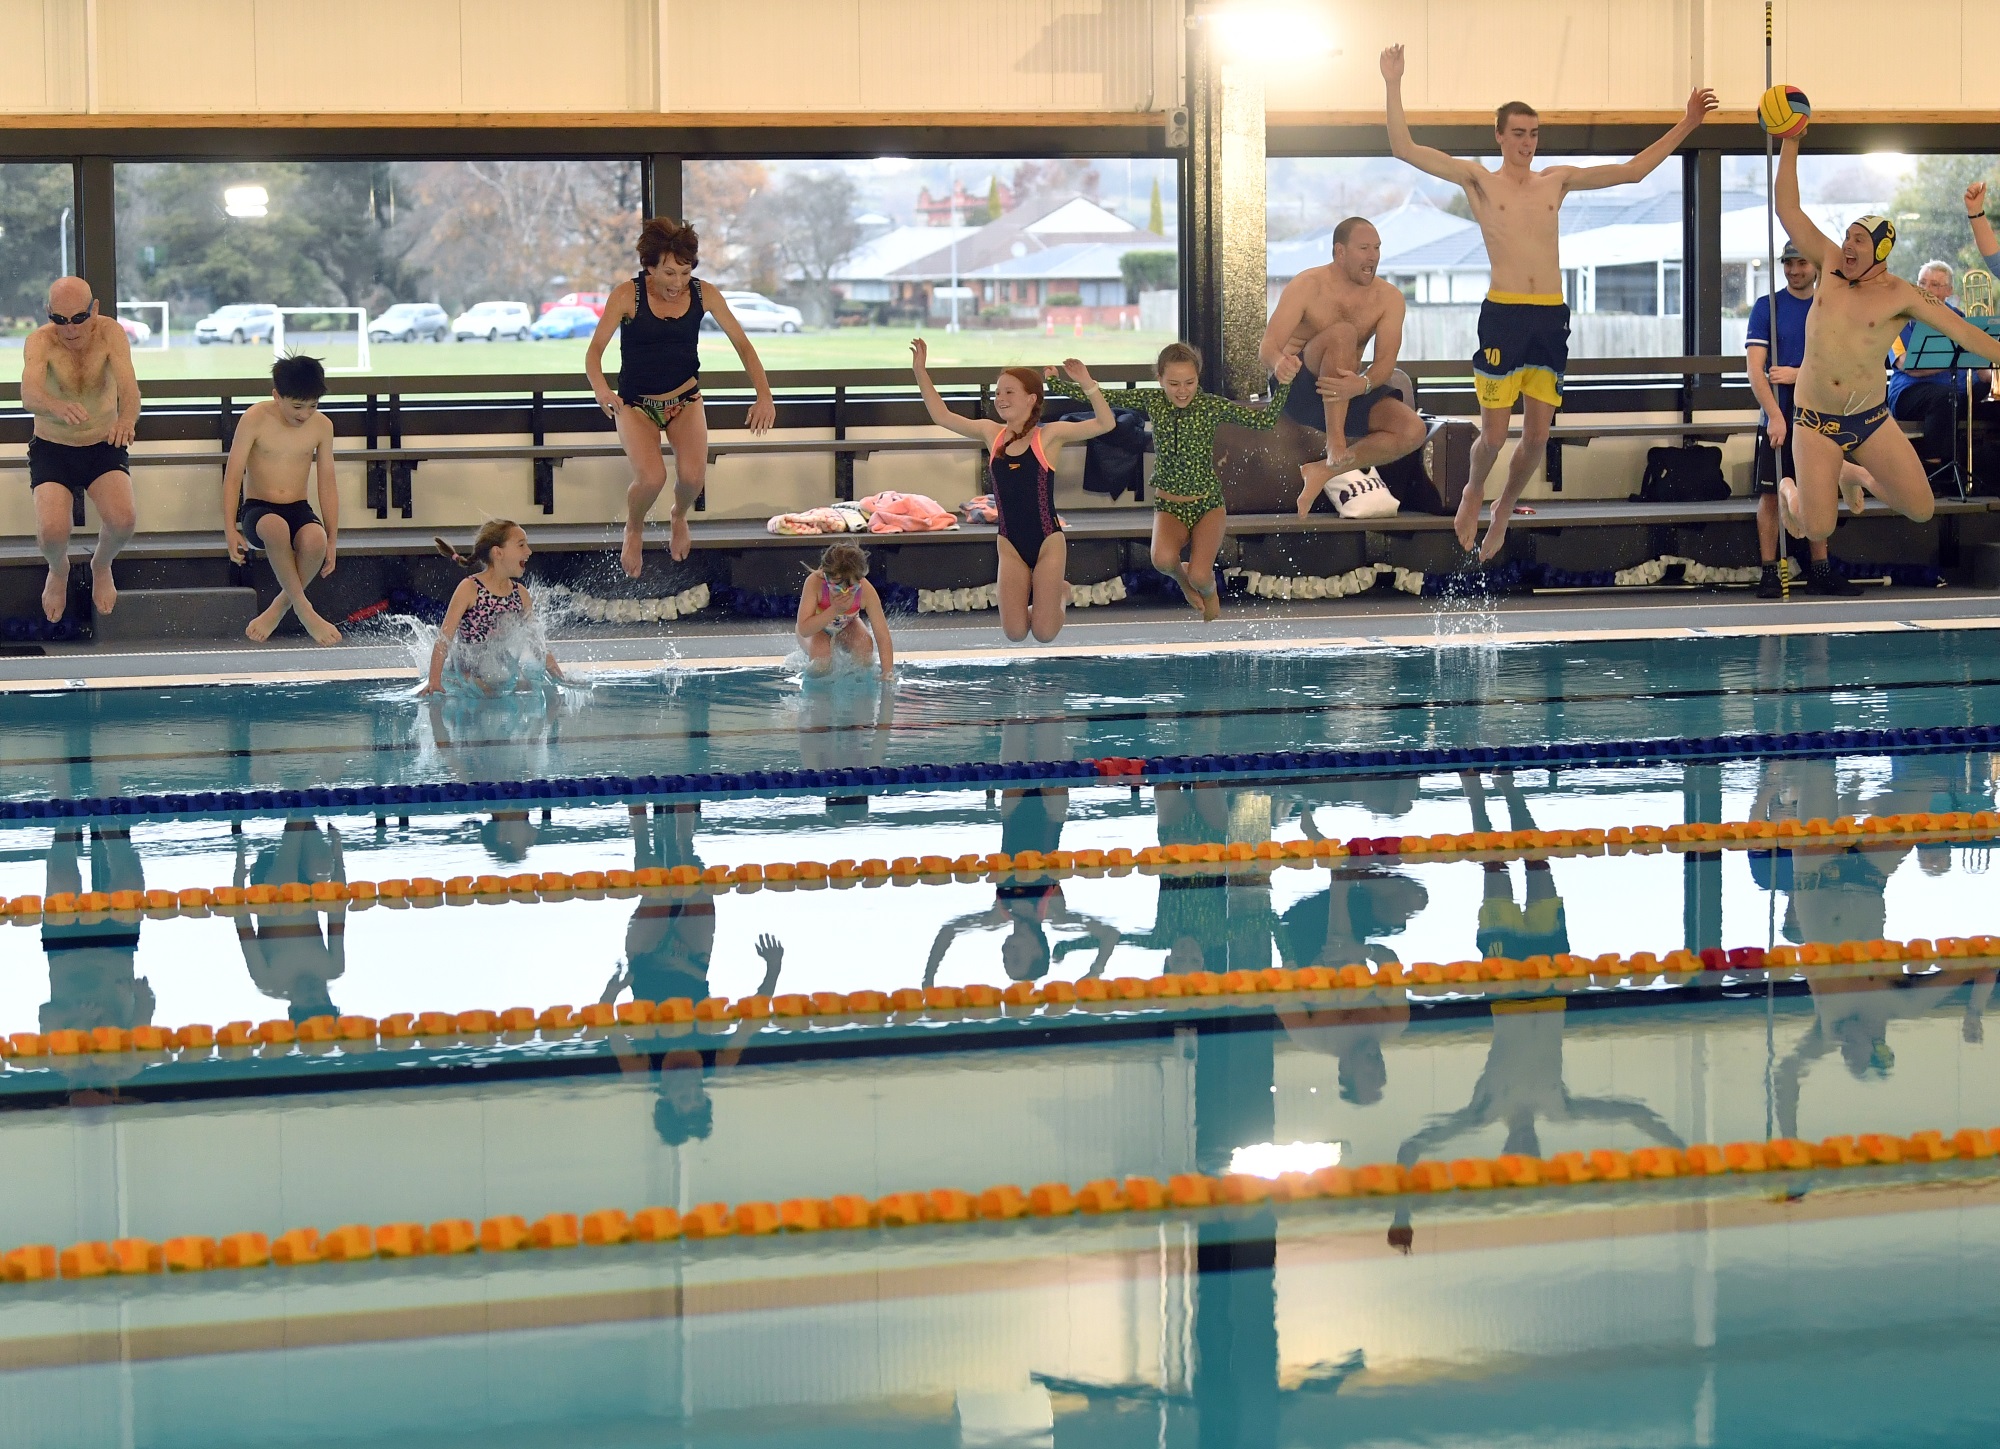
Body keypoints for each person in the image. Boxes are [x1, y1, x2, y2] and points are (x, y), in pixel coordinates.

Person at [1381, 44, 1716, 559]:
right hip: (1504, 315)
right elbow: (1404, 148)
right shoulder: (1478, 180)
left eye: (1534, 134)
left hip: (1550, 317)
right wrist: (1393, 82)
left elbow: (1633, 172)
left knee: (1536, 437)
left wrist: (1688, 124)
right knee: (1493, 437)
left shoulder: (1555, 181)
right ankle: (1473, 492)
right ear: (1499, 135)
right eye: (1518, 133)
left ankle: (1505, 508)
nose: (1528, 143)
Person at [1772, 123, 2000, 542]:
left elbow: (1967, 334)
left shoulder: (1903, 295)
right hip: (1815, 420)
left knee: (1921, 508)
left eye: (1859, 240)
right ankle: (1792, 488)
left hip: (1871, 418)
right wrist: (1791, 140)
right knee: (1816, 528)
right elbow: (1787, 209)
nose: (1847, 246)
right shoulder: (1828, 262)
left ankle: (1853, 473)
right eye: (1846, 237)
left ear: (1880, 252)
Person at [1047, 342, 1301, 621]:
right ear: (1160, 380)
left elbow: (1263, 422)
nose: (1182, 390)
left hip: (1207, 505)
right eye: (1174, 383)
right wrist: (1066, 383)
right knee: (1162, 560)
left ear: (1198, 379)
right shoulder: (1153, 401)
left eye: (1189, 382)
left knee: (1202, 575)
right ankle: (1182, 581)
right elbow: (1105, 398)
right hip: (1169, 506)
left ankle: (1206, 590)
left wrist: (1285, 384)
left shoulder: (1210, 406)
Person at [584, 218, 776, 577]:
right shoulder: (627, 295)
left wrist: (764, 395)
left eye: (685, 273)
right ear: (649, 267)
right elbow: (594, 351)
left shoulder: (705, 294)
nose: (678, 283)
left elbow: (744, 347)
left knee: (692, 477)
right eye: (669, 273)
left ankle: (678, 515)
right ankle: (635, 527)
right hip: (636, 405)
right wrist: (601, 388)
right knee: (652, 478)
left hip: (685, 400)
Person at [909, 342, 1113, 642]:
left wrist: (1087, 384)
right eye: (998, 392)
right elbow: (942, 416)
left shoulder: (1049, 436)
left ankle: (1061, 594)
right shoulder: (992, 434)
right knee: (1015, 632)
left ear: (1031, 398)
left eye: (1009, 392)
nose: (1000, 398)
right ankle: (1049, 594)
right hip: (1010, 544)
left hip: (1047, 541)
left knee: (1044, 633)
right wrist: (920, 371)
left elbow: (1106, 424)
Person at [1258, 216, 1430, 510]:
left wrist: (1362, 384)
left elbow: (1385, 363)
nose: (1373, 256)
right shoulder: (1308, 285)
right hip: (1297, 388)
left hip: (1344, 388)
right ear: (1340, 252)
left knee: (1413, 430)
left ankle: (1325, 470)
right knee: (1343, 332)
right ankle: (1335, 443)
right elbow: (1267, 347)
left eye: (1377, 248)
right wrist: (1278, 362)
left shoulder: (1388, 298)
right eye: (1364, 248)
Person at [1747, 242, 1865, 598]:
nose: (1794, 270)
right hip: (1779, 414)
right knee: (1771, 495)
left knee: (1820, 491)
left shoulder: (1829, 308)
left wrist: (1800, 374)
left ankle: (1820, 569)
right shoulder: (1767, 307)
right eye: (1788, 264)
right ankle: (1769, 572)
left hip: (1819, 415)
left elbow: (1844, 367)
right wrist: (1774, 417)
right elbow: (1756, 369)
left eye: (1801, 263)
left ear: (1815, 267)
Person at [21, 276, 142, 623]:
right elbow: (29, 394)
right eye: (59, 320)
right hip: (53, 446)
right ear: (48, 314)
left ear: (95, 309)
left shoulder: (110, 334)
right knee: (52, 533)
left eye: (78, 318)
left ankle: (101, 564)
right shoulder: (39, 341)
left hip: (103, 444)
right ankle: (58, 570)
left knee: (123, 522)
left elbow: (130, 390)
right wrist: (55, 406)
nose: (70, 329)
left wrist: (126, 421)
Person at [222, 354, 343, 644]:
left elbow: (326, 482)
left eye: (313, 406)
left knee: (314, 539)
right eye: (297, 406)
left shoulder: (322, 426)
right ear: (277, 396)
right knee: (276, 528)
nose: (304, 414)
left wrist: (332, 538)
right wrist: (229, 528)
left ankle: (278, 607)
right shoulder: (254, 419)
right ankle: (304, 608)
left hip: (299, 509)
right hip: (259, 511)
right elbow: (233, 475)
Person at [422, 520, 569, 695]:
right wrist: (434, 681)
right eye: (521, 545)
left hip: (498, 668)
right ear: (498, 552)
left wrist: (562, 680)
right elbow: (443, 640)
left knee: (528, 688)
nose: (528, 551)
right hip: (466, 672)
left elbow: (537, 644)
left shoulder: (520, 594)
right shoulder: (470, 588)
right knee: (488, 694)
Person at [1886, 259, 1993, 484]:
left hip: (1955, 392)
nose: (1925, 289)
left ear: (1948, 291)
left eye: (1934, 284)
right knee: (1944, 397)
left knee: (1985, 396)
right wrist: (1955, 360)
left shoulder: (1959, 318)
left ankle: (1985, 475)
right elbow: (1907, 366)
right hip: (1909, 392)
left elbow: (1981, 374)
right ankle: (1936, 471)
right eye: (1922, 283)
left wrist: (1988, 372)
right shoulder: (1898, 320)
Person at [794, 540, 894, 676]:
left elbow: (883, 636)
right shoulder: (815, 583)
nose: (844, 592)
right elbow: (804, 629)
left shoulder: (866, 590)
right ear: (825, 575)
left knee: (864, 651)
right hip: (816, 629)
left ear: (859, 579)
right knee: (820, 664)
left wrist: (887, 673)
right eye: (837, 586)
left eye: (851, 587)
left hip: (847, 625)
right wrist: (834, 609)